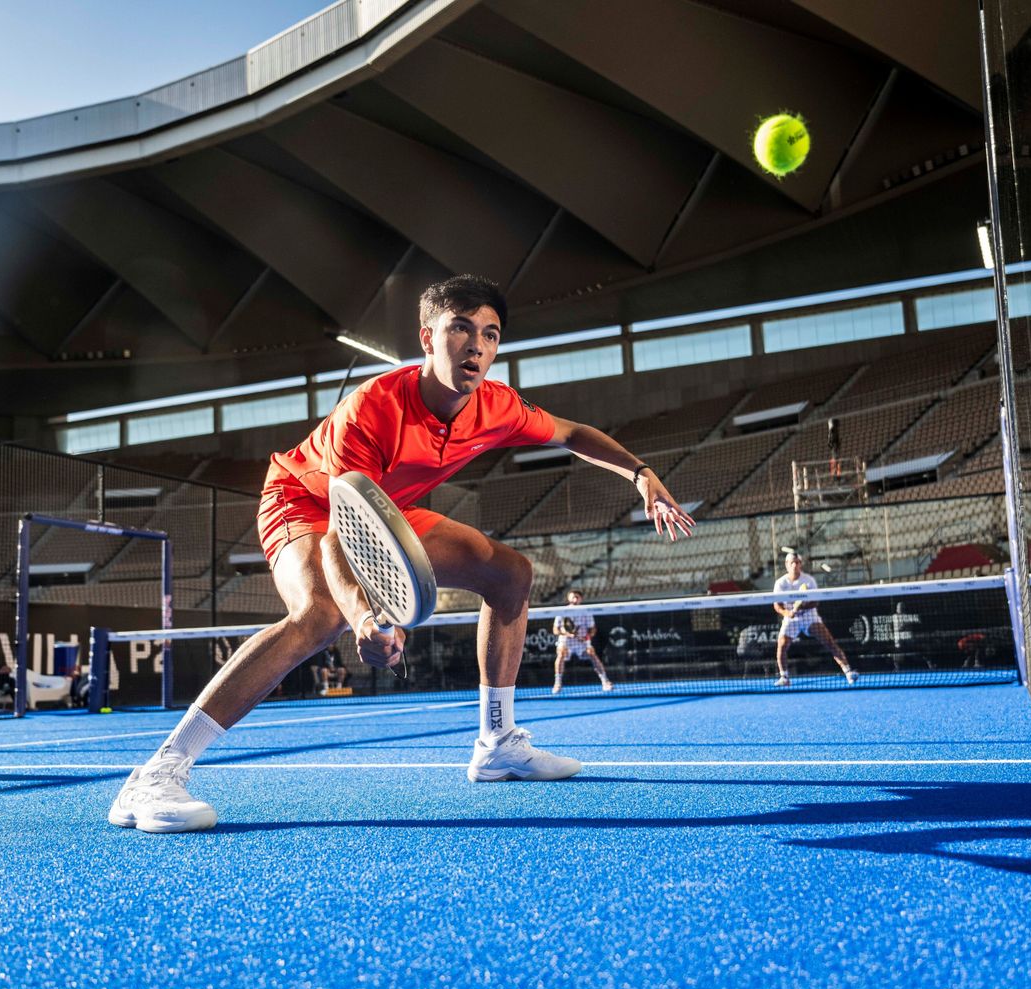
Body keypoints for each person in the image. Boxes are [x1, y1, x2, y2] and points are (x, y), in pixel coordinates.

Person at [110, 275, 695, 833]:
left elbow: (571, 434)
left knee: (510, 573)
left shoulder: (497, 406)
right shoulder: (372, 407)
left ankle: (497, 744)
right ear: (428, 338)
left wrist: (640, 475)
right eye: (461, 328)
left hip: (384, 506)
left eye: (491, 334)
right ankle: (157, 773)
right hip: (306, 499)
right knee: (320, 615)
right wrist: (365, 617)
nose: (477, 345)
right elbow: (343, 531)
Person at [772, 551, 857, 687]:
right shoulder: (780, 583)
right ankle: (784, 677)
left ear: (800, 564)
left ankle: (848, 672)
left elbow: (815, 602)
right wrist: (788, 613)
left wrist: (801, 608)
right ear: (787, 565)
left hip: (809, 616)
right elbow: (777, 605)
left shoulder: (809, 580)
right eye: (792, 562)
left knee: (829, 642)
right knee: (781, 645)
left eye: (797, 562)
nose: (795, 565)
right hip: (790, 619)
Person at [551, 589, 613, 694]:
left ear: (580, 599)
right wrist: (567, 634)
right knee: (561, 653)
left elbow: (592, 629)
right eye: (573, 596)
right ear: (569, 598)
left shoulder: (586, 612)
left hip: (582, 643)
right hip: (566, 642)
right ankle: (557, 683)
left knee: (592, 653)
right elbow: (555, 630)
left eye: (577, 597)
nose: (575, 599)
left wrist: (587, 637)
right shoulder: (562, 611)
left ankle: (605, 681)